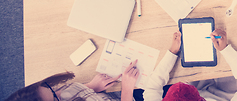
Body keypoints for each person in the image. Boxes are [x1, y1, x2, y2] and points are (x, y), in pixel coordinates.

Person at [143, 30, 237, 101]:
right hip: (228, 94)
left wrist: (172, 53)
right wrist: (226, 49)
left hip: (197, 85)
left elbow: (152, 88)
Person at [5, 60, 139, 101]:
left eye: (51, 89)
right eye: (55, 98)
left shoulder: (61, 95)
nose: (60, 94)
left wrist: (91, 87)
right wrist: (127, 91)